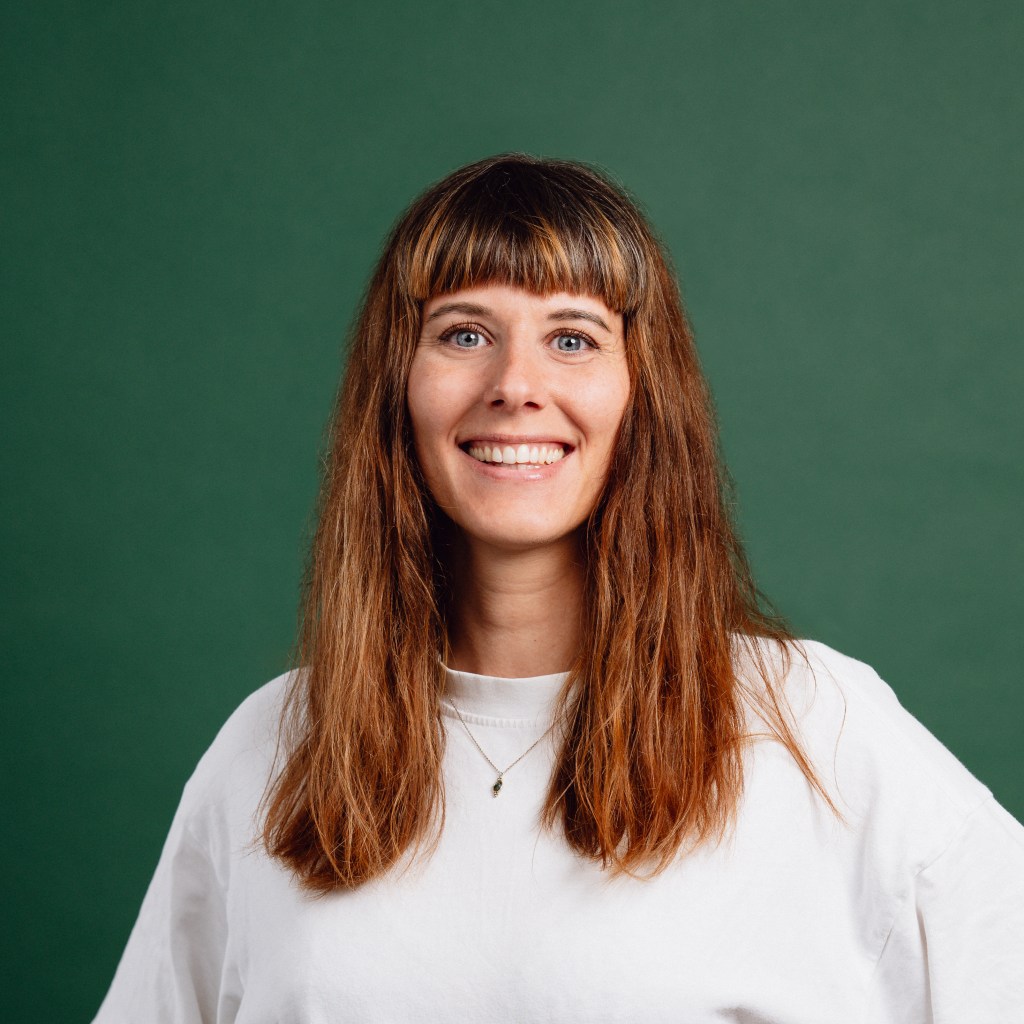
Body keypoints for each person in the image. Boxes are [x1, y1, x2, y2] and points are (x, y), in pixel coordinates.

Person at [94, 154, 1024, 1022]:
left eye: (573, 338)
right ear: (396, 388)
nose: (516, 384)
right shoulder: (271, 748)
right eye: (464, 334)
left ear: (642, 395)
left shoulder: (815, 728)